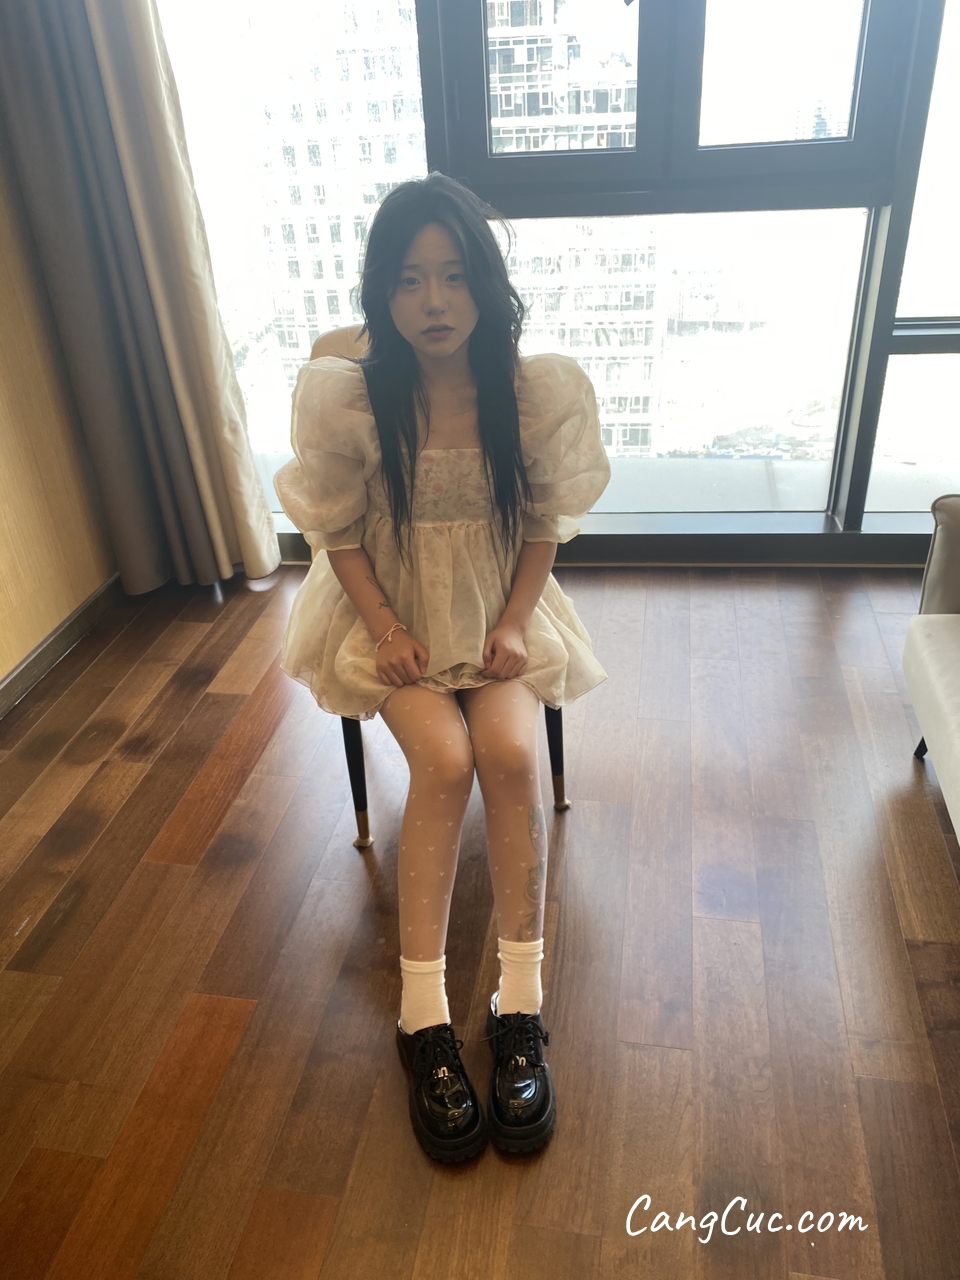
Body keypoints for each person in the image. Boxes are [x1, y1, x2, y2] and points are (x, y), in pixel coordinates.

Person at [275, 172, 610, 1163]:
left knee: (509, 754)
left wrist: (515, 621)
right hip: (395, 620)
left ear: (485, 284)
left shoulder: (529, 392)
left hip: (497, 615)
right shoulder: (353, 398)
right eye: (411, 278)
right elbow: (338, 533)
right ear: (382, 288)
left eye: (455, 275)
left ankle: (520, 1002)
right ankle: (422, 1013)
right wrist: (383, 626)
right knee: (445, 759)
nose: (434, 300)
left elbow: (542, 523)